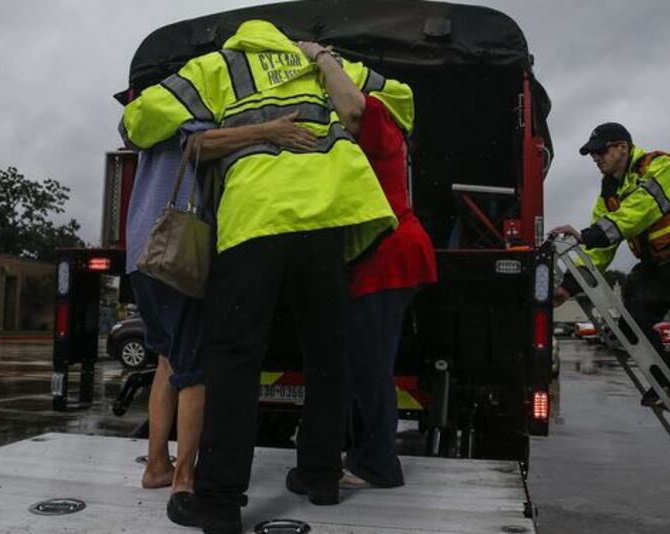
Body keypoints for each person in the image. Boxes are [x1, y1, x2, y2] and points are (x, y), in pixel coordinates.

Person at [120, 20, 405, 533]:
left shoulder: (217, 67)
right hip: (326, 222)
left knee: (233, 359)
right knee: (326, 355)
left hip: (254, 222)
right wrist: (322, 60)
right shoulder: (321, 62)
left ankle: (220, 502)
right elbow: (401, 101)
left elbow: (136, 124)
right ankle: (320, 477)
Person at [123, 115, 317, 495]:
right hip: (179, 251)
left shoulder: (145, 118)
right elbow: (201, 145)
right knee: (196, 370)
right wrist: (269, 130)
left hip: (139, 254)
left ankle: (158, 466)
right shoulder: (189, 111)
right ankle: (185, 479)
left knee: (168, 359)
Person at [295, 41, 436, 489]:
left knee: (369, 365)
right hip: (386, 257)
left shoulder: (380, 116)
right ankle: (364, 454)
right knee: (365, 363)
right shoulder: (382, 131)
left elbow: (353, 109)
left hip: (387, 258)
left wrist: (320, 58)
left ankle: (379, 463)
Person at [550, 122, 670, 462]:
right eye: (592, 153)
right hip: (660, 269)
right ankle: (665, 381)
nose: (596, 158)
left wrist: (585, 235)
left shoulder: (661, 166)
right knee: (627, 320)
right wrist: (567, 288)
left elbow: (640, 211)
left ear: (622, 147)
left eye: (600, 151)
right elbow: (599, 253)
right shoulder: (608, 193)